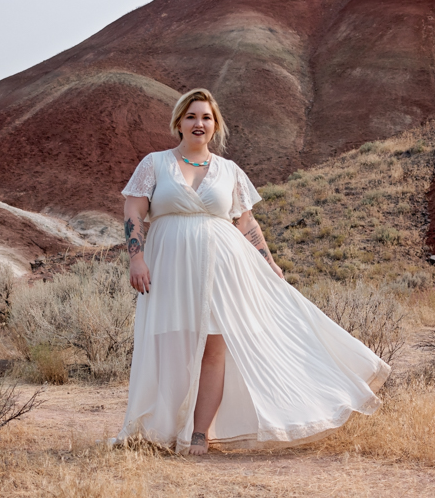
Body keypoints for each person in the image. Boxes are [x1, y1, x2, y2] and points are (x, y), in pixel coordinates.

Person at [116, 88, 390, 455]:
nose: (199, 124)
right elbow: (133, 212)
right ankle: (163, 430)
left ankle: (199, 434)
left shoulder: (230, 171)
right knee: (172, 346)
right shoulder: (154, 163)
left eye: (207, 118)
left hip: (222, 267)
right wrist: (136, 258)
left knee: (214, 347)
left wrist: (269, 263)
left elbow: (247, 224)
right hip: (168, 266)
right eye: (192, 116)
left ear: (216, 126)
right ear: (178, 122)